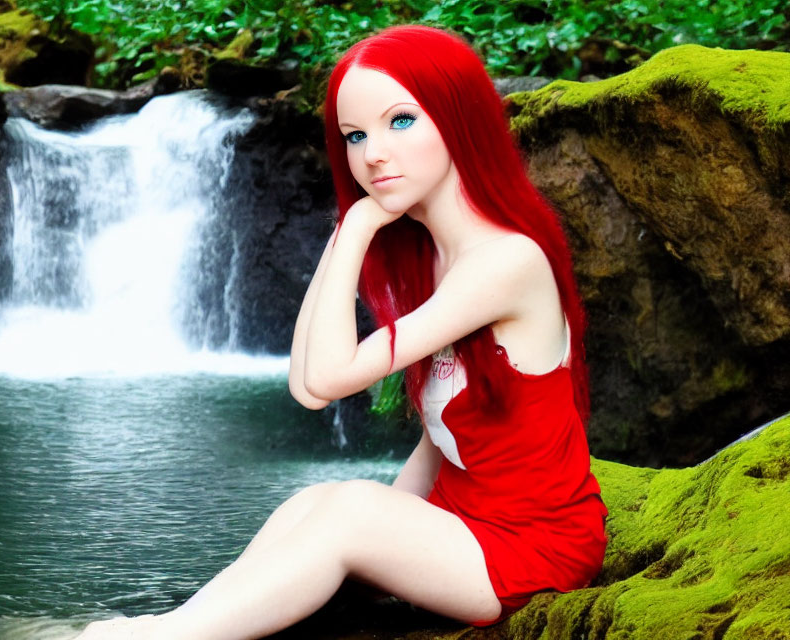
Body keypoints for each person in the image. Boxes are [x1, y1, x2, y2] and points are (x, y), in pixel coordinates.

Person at [75, 24, 607, 640]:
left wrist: (355, 229)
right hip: (469, 528)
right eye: (355, 136)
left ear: (460, 119)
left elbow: (327, 378)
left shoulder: (503, 262)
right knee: (316, 503)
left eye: (399, 121)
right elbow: (311, 388)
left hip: (536, 549)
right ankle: (174, 625)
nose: (372, 154)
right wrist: (388, 529)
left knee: (348, 510)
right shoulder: (435, 258)